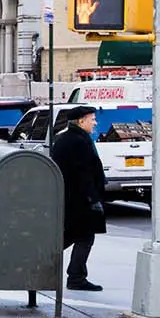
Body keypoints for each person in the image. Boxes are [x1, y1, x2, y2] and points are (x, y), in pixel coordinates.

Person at [51, 104, 106, 292]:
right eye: (92, 119)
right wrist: (93, 199)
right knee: (84, 235)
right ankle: (76, 276)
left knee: (70, 235)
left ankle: (43, 261)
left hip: (69, 197)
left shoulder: (67, 138)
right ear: (81, 121)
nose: (95, 122)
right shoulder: (78, 141)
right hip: (79, 199)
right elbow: (83, 174)